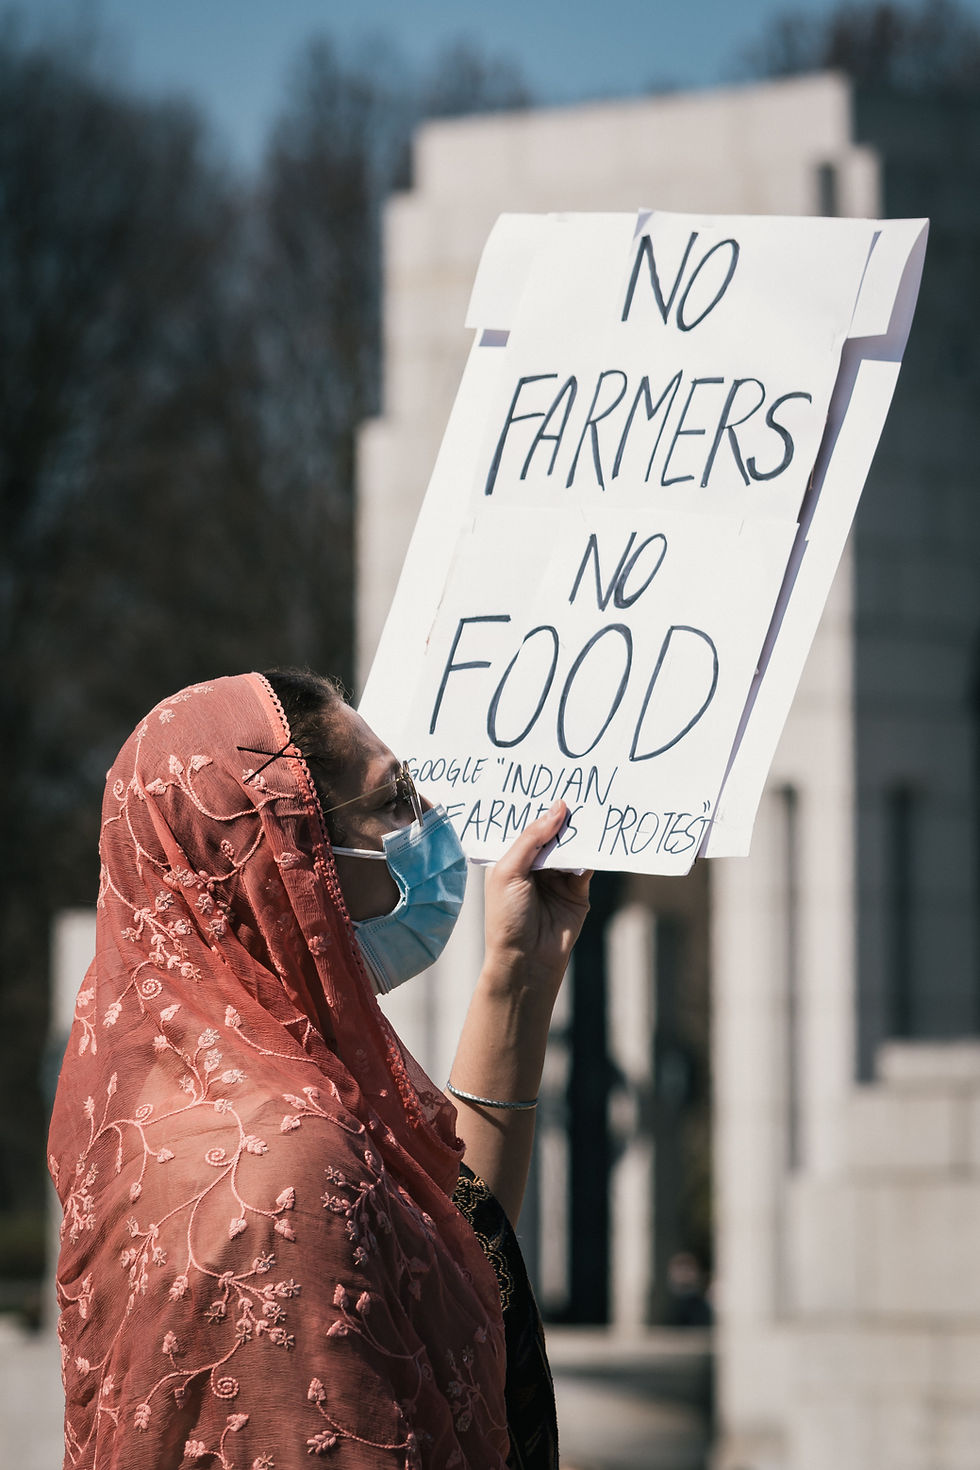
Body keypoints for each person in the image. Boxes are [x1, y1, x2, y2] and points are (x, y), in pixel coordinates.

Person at [48, 668, 592, 1470]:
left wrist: (520, 970)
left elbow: (447, 1263)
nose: (434, 828)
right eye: (393, 801)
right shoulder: (285, 1166)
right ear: (286, 858)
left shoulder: (206, 1110)